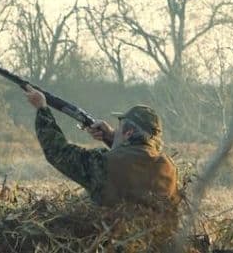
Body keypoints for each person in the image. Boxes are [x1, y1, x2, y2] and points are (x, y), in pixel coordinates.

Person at [24, 85, 180, 207]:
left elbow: (57, 151)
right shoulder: (169, 168)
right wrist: (111, 137)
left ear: (129, 132)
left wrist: (43, 109)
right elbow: (137, 163)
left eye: (119, 127)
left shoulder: (102, 162)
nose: (115, 130)